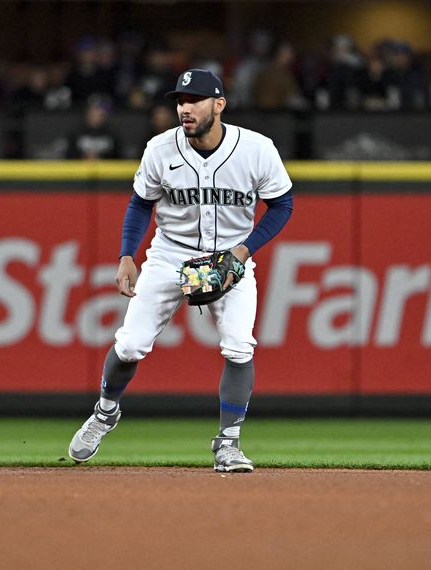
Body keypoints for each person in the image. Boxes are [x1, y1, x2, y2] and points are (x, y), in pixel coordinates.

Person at [68, 69, 294, 473]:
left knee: (240, 346)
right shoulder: (159, 148)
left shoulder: (257, 149)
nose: (185, 108)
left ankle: (228, 443)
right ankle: (105, 412)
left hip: (231, 256)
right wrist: (126, 255)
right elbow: (141, 203)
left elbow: (282, 205)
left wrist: (243, 252)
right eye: (180, 101)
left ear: (219, 104)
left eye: (194, 100)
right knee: (130, 345)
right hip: (170, 254)